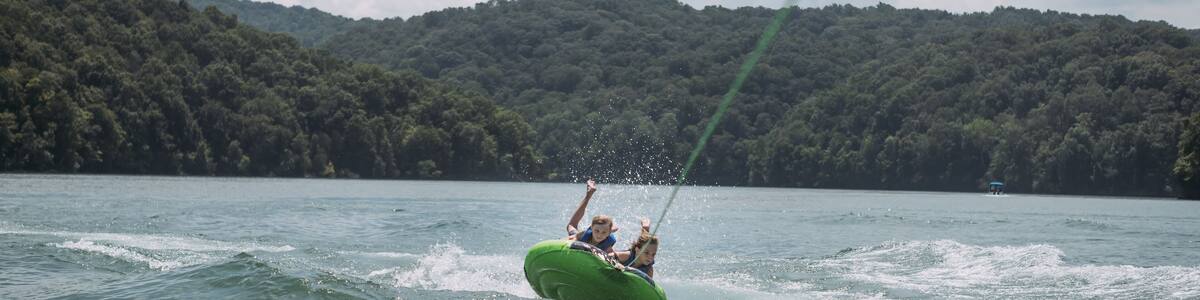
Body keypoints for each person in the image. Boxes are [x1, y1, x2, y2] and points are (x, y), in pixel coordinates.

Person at [565, 179, 618, 253]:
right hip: (582, 237)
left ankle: (589, 194)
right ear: (591, 228)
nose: (599, 235)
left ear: (608, 234)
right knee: (571, 225)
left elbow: (612, 257)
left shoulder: (608, 243)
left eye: (604, 233)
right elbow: (569, 240)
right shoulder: (584, 235)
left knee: (610, 228)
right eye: (597, 231)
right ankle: (588, 195)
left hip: (607, 229)